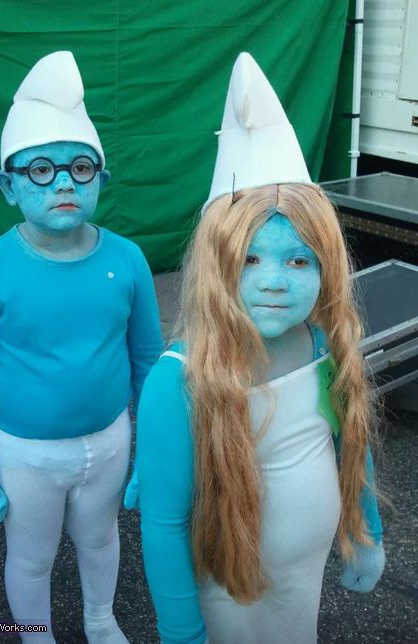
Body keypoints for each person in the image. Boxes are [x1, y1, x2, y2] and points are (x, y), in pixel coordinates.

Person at [125, 53, 384, 644]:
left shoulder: (323, 345)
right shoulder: (180, 380)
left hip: (306, 581)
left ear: (327, 269)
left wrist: (366, 532)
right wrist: (180, 631)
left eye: (298, 260)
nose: (274, 280)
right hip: (227, 590)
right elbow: (163, 525)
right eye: (249, 259)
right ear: (216, 267)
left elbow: (353, 445)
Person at [0, 51, 163, 644]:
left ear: (102, 178)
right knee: (31, 555)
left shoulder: (129, 259)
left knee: (101, 538)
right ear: (9, 186)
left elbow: (150, 363)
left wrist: (157, 448)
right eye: (40, 169)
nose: (64, 181)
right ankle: (35, 633)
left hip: (110, 443)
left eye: (80, 167)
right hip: (24, 454)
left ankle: (100, 618)